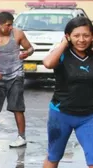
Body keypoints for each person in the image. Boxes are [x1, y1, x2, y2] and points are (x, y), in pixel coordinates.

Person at [42, 16, 93, 168]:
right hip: (61, 114)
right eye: (76, 35)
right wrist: (64, 43)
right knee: (54, 156)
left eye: (86, 35)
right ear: (68, 36)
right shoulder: (62, 53)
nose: (81, 40)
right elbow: (48, 63)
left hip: (88, 116)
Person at [0, 12, 34, 147]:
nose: (11, 27)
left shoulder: (18, 34)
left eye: (12, 25)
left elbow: (30, 48)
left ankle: (21, 137)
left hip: (16, 74)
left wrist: (27, 53)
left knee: (17, 107)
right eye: (8, 25)